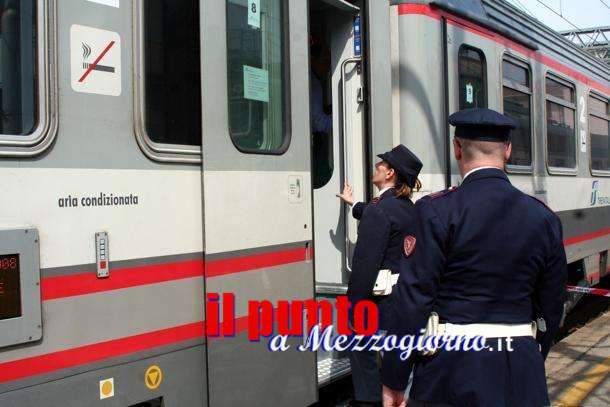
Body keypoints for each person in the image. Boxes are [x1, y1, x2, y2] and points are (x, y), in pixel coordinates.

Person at [381, 108, 568, 407]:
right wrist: (530, 355)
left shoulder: (435, 211)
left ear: (457, 148)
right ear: (507, 150)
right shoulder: (543, 218)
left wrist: (394, 377)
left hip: (448, 374)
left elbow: (412, 301)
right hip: (520, 373)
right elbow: (552, 304)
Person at [337, 145, 423, 407]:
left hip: (378, 304)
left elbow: (365, 266)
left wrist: (352, 307)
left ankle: (368, 401)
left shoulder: (381, 210)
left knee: (360, 349)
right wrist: (354, 205)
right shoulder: (408, 207)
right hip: (402, 301)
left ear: (390, 174)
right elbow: (376, 213)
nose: (376, 167)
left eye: (381, 164)